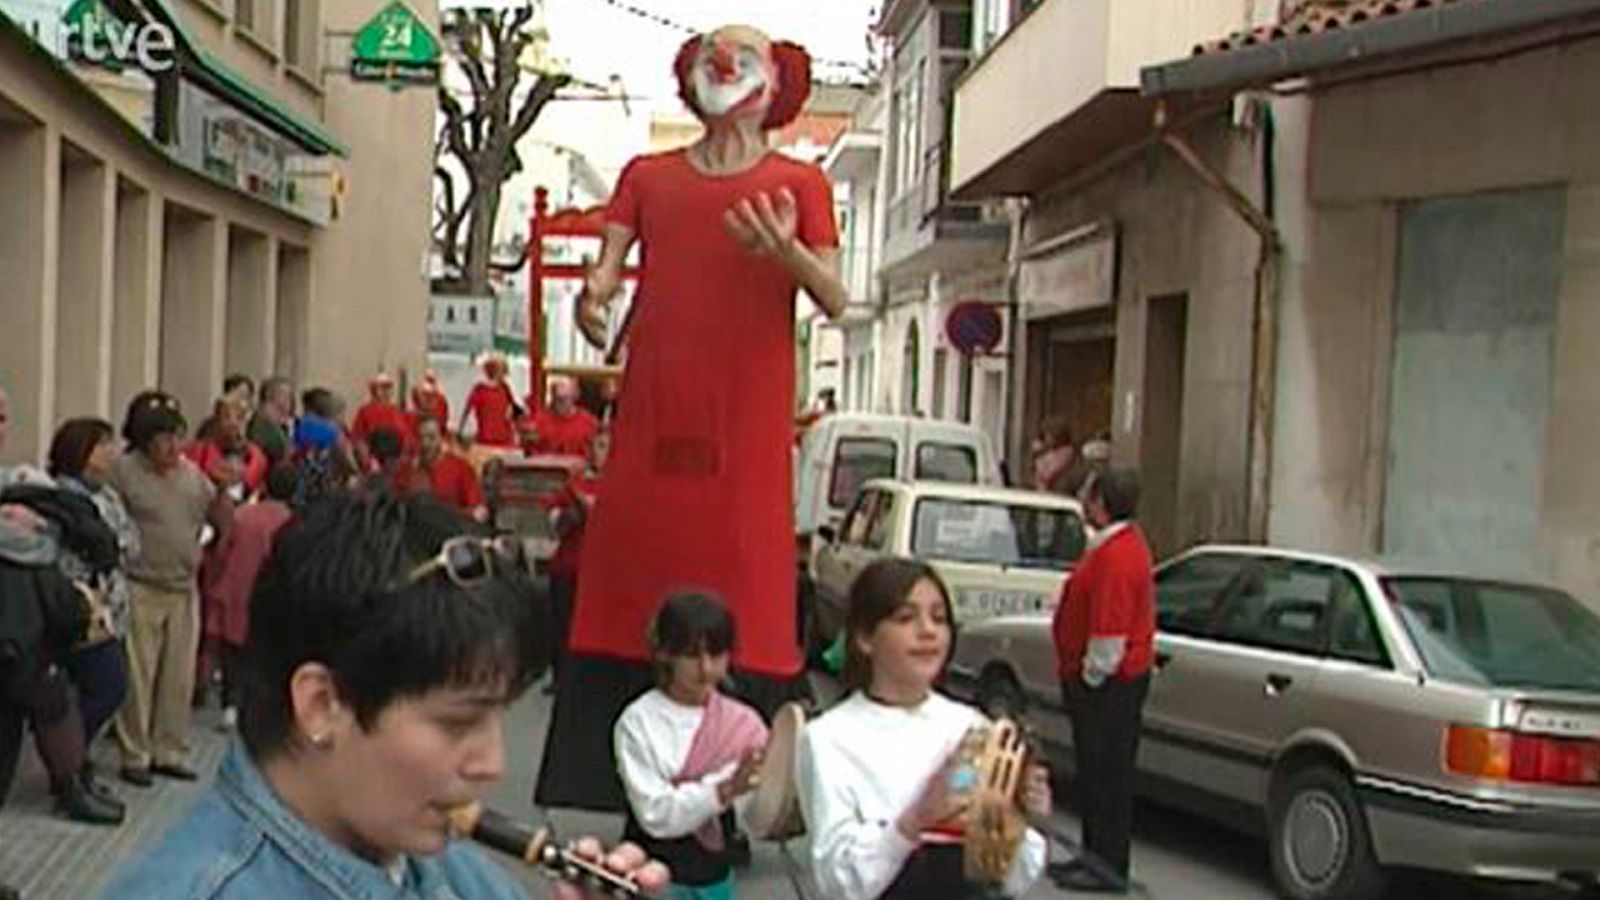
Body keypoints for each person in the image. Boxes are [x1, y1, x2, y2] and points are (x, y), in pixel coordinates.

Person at [541, 24, 847, 811]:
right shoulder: (647, 177)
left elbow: (838, 298)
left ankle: (744, 788)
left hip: (745, 424)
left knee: (748, 590)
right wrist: (595, 297)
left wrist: (786, 253)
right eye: (714, 52)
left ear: (776, 82)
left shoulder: (800, 185)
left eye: (744, 57)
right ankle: (619, 770)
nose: (724, 65)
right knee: (633, 577)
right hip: (656, 415)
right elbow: (605, 272)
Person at [101, 492, 670, 899]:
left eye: (499, 717)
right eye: (456, 724)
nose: (494, 765)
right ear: (322, 705)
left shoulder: (438, 864)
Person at [796, 558, 1051, 900]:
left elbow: (1010, 878)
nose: (928, 631)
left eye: (939, 618)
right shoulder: (828, 738)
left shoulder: (972, 726)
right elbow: (838, 884)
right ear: (864, 637)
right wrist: (916, 820)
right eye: (905, 618)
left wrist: (1021, 816)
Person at [111, 391, 234, 787]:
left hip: (183, 588)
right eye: (163, 438)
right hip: (140, 584)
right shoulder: (124, 472)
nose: (172, 446)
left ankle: (169, 749)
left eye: (177, 436)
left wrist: (225, 494)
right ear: (144, 440)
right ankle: (135, 753)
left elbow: (217, 515)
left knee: (176, 677)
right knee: (139, 675)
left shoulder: (191, 476)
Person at [615, 592, 766, 900]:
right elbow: (654, 814)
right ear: (665, 654)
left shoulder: (744, 723)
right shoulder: (638, 722)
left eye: (716, 654)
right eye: (692, 655)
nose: (706, 668)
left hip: (713, 877)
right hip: (649, 871)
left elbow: (762, 811)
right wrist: (723, 789)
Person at [1049, 468, 1155, 894]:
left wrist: (1090, 678)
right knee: (1098, 777)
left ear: (1101, 503)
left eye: (1089, 495)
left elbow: (1109, 631)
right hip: (1111, 681)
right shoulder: (1119, 547)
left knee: (1104, 777)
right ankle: (1095, 858)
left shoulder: (1117, 555)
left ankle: (1104, 867)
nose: (1083, 502)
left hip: (1108, 685)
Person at [48, 418, 140, 814]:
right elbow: (63, 557)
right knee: (108, 685)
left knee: (100, 689)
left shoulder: (108, 496)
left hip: (111, 613)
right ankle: (66, 767)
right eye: (103, 445)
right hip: (80, 612)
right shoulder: (58, 499)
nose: (111, 452)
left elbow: (131, 542)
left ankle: (75, 767)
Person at [201, 463, 296, 732]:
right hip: (270, 596)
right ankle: (256, 706)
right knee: (261, 653)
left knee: (232, 653)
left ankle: (229, 707)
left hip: (235, 589)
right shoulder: (292, 521)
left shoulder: (243, 515)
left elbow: (222, 550)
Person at [545, 428, 609, 689]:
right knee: (563, 624)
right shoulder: (575, 483)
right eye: (598, 446)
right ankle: (560, 677)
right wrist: (569, 516)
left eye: (606, 446)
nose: (600, 452)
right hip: (569, 567)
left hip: (602, 572)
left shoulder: (621, 483)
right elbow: (552, 517)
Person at [400, 418, 487, 523]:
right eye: (420, 438)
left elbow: (477, 510)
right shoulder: (407, 470)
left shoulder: (461, 468)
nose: (425, 443)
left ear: (442, 438)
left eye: (431, 438)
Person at [187, 396, 268, 500]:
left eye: (240, 417)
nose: (233, 423)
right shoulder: (197, 452)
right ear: (216, 420)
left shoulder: (257, 458)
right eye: (226, 416)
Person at [520, 376, 600, 458]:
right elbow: (528, 453)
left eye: (565, 398)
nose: (560, 404)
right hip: (547, 468)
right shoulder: (537, 422)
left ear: (575, 396)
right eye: (557, 398)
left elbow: (596, 456)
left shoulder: (589, 422)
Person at [461, 355, 520, 449]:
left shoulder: (504, 388)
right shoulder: (480, 390)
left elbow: (514, 411)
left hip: (504, 439)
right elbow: (466, 412)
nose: (504, 375)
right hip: (488, 439)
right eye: (503, 372)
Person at [351, 372, 413, 460]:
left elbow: (407, 437)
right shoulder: (365, 411)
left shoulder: (396, 411)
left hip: (396, 462)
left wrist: (403, 459)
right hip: (374, 462)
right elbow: (358, 439)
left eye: (388, 387)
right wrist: (369, 463)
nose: (386, 391)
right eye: (383, 387)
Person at [247, 376, 296, 466]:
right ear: (268, 394)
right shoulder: (262, 422)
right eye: (285, 395)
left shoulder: (282, 423)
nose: (289, 402)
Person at [1030, 417, 1077, 496]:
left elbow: (1047, 476)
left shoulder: (1065, 453)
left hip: (1056, 495)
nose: (1046, 438)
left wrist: (1039, 456)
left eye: (1048, 435)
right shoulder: (1050, 451)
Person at [410, 370, 451, 437]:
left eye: (431, 380)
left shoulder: (441, 398)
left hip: (435, 428)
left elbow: (445, 417)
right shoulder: (418, 392)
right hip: (424, 426)